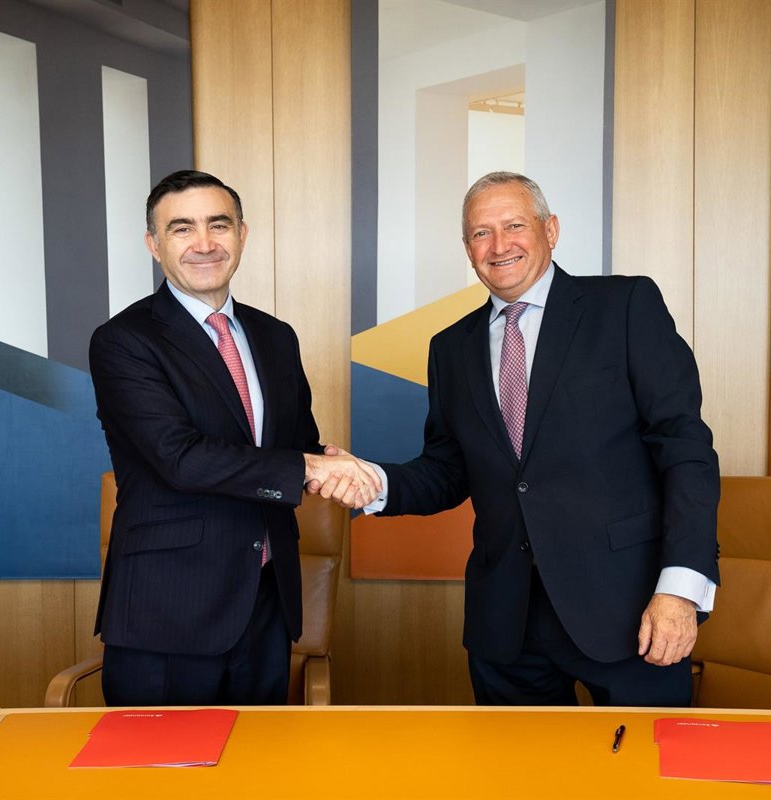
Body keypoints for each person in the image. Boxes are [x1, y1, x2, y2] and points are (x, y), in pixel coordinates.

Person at [341, 172, 720, 706]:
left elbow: (685, 449)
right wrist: (373, 482)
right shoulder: (451, 348)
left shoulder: (625, 306)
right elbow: (448, 470)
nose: (499, 245)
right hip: (507, 623)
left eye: (514, 225)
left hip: (631, 610)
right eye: (481, 233)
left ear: (551, 230)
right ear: (468, 249)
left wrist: (680, 590)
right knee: (514, 762)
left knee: (644, 760)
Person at [88, 169, 379, 705]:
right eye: (181, 228)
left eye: (218, 225)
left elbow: (295, 446)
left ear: (242, 235)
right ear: (153, 244)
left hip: (266, 600)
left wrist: (337, 466)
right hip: (169, 610)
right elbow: (180, 459)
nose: (204, 243)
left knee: (261, 757)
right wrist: (312, 468)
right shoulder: (124, 341)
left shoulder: (275, 336)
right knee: (162, 762)